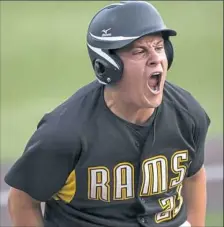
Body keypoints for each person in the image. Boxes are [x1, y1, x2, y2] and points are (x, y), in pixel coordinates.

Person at [5, 1, 210, 227]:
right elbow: (22, 200)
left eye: (159, 47)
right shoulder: (65, 134)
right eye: (140, 51)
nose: (155, 58)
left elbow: (194, 175)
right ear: (107, 65)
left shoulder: (187, 115)